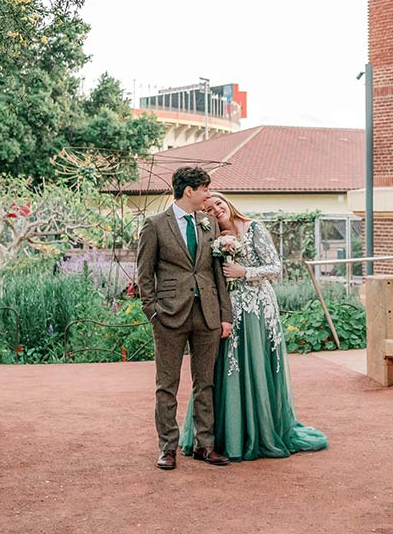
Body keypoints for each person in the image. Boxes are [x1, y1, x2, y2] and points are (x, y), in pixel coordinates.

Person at [179, 191, 328, 461]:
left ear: (228, 204)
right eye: (210, 209)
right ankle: (222, 436)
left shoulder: (254, 228)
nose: (217, 211)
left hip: (258, 307)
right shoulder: (209, 238)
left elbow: (276, 267)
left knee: (257, 364)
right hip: (228, 311)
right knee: (224, 367)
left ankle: (260, 431)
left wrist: (244, 272)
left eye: (219, 204)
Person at [136, 166, 233, 471]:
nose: (208, 195)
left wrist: (224, 315)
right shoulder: (155, 225)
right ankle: (167, 448)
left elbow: (217, 273)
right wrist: (153, 312)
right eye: (204, 189)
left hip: (207, 314)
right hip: (169, 316)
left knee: (205, 383)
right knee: (167, 385)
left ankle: (205, 445)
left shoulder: (208, 224)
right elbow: (144, 275)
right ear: (189, 191)